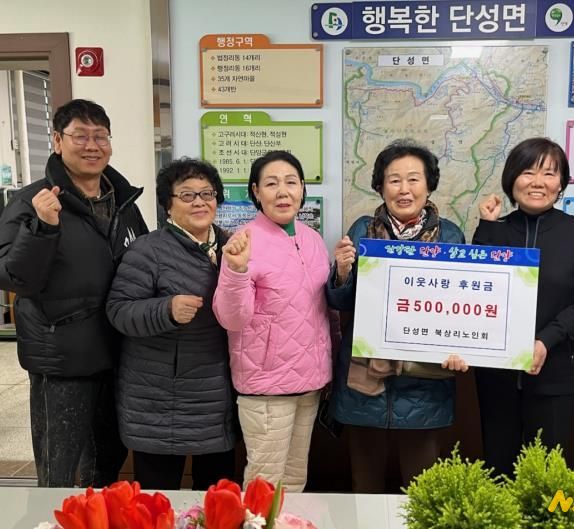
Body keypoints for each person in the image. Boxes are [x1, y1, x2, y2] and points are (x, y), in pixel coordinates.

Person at [0, 99, 148, 487]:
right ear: (57, 140)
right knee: (60, 469)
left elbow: (143, 263)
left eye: (100, 136)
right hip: (63, 360)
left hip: (117, 355)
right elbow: (14, 277)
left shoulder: (123, 201)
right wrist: (43, 228)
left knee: (108, 461)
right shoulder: (32, 202)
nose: (92, 145)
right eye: (80, 136)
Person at [326, 139, 468, 493]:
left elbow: (459, 306)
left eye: (413, 179)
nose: (404, 189)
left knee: (422, 490)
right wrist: (342, 272)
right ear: (380, 186)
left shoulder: (450, 235)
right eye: (394, 180)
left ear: (429, 185)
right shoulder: (362, 230)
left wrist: (461, 347)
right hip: (364, 380)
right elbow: (341, 302)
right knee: (365, 484)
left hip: (425, 382)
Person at [472, 137, 574, 477]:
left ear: (561, 183)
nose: (538, 182)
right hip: (497, 376)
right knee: (497, 467)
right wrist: (487, 228)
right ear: (512, 179)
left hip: (557, 370)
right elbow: (478, 292)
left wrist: (546, 340)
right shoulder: (495, 230)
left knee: (545, 472)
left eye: (549, 173)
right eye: (528, 172)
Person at [106, 158, 236, 490]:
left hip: (217, 394)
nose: (199, 202)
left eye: (207, 193)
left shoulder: (231, 247)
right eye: (187, 195)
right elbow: (119, 311)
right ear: (168, 204)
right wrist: (165, 310)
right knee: (157, 500)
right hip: (160, 400)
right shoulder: (148, 250)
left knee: (217, 501)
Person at [212, 150, 332, 492]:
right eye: (271, 183)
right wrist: (236, 270)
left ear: (302, 189)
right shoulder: (244, 241)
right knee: (263, 485)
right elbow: (232, 318)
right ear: (256, 191)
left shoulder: (312, 239)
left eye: (291, 182)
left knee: (295, 480)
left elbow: (323, 310)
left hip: (310, 383)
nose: (283, 192)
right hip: (266, 387)